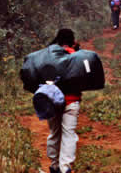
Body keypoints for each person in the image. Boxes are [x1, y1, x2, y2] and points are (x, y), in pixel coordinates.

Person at [46, 29, 82, 173]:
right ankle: (65, 168)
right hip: (71, 101)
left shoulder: (49, 55)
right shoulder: (76, 56)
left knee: (54, 133)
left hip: (52, 101)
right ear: (72, 40)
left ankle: (54, 166)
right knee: (69, 134)